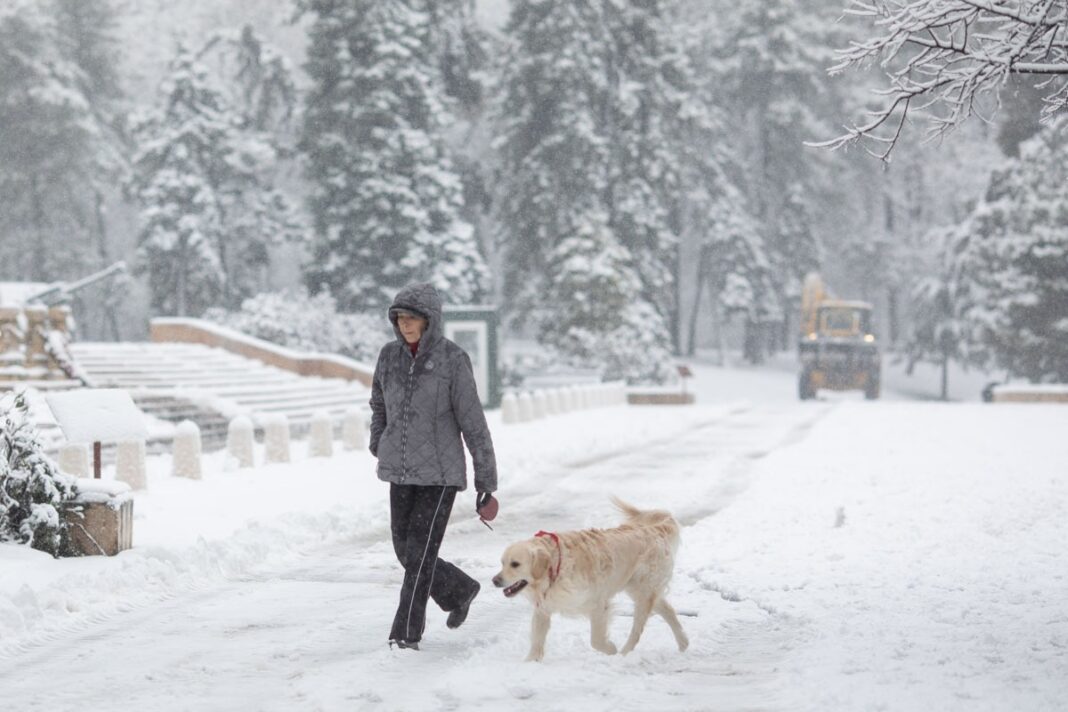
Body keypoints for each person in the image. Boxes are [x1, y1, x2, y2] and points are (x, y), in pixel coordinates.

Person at [369, 282, 498, 651]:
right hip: (401, 469)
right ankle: (460, 590)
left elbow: (473, 422)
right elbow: (378, 404)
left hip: (441, 475)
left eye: (411, 318)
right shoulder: (388, 357)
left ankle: (405, 632)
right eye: (399, 318)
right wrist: (379, 441)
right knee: (405, 550)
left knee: (420, 555)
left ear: (429, 320)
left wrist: (485, 480)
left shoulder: (452, 360)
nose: (404, 324)